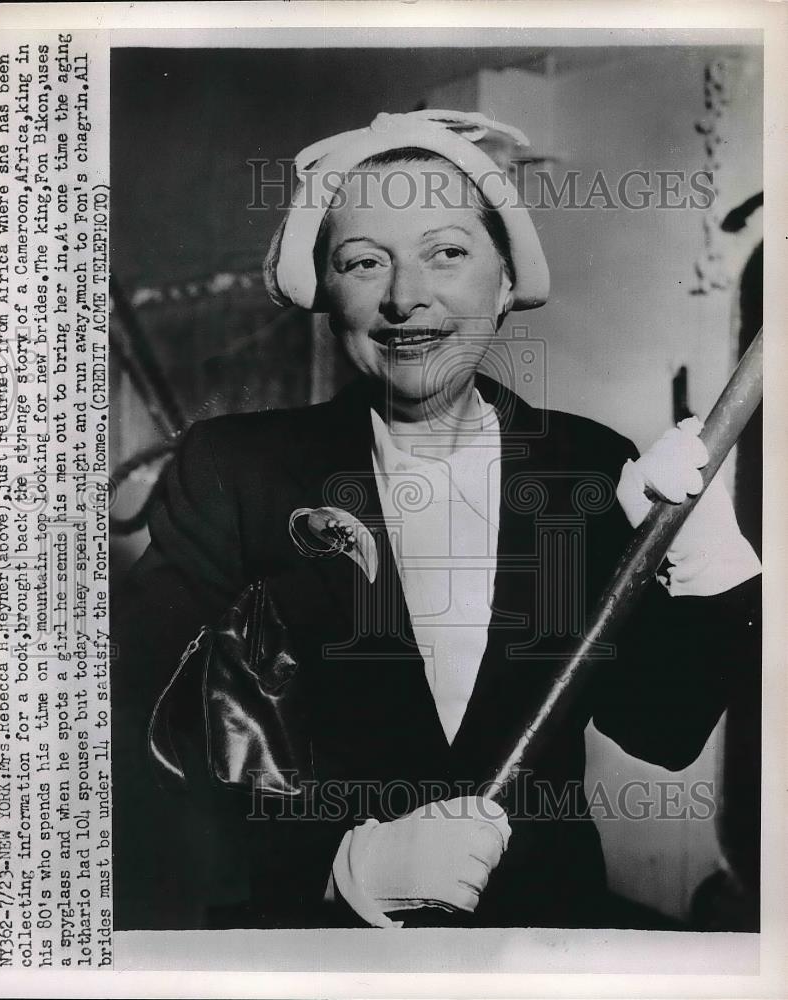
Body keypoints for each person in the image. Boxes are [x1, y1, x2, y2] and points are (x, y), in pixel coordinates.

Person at [111, 110, 761, 930]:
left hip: (538, 941)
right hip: (314, 950)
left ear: (501, 279)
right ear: (327, 294)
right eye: (363, 261)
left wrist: (705, 562)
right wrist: (339, 866)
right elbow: (138, 736)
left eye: (446, 252)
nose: (405, 296)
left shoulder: (585, 466)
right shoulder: (235, 470)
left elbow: (660, 728)